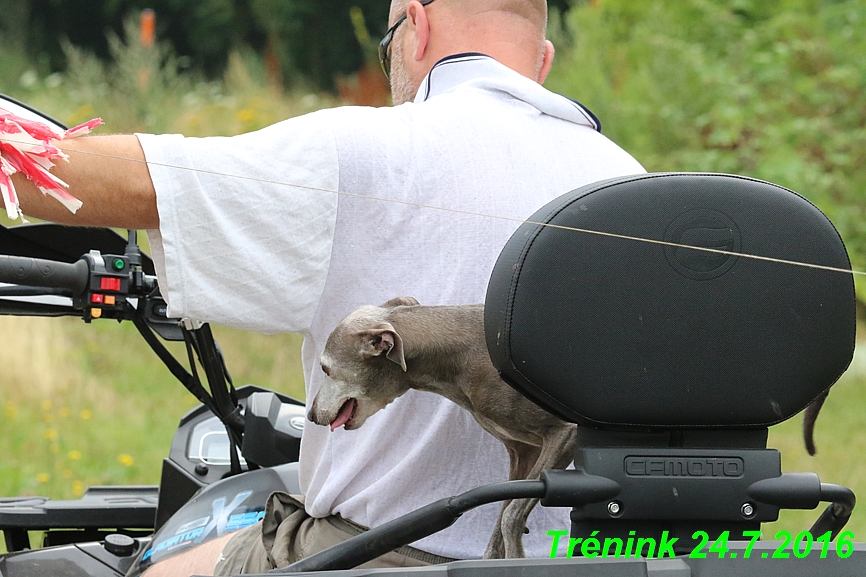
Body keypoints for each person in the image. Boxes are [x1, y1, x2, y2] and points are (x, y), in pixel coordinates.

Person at [10, 0, 645, 573]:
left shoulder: (366, 148)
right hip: (603, 554)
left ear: (415, 28)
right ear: (542, 61)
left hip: (381, 553)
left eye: (388, 39)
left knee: (158, 565)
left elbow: (130, 181)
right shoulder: (630, 179)